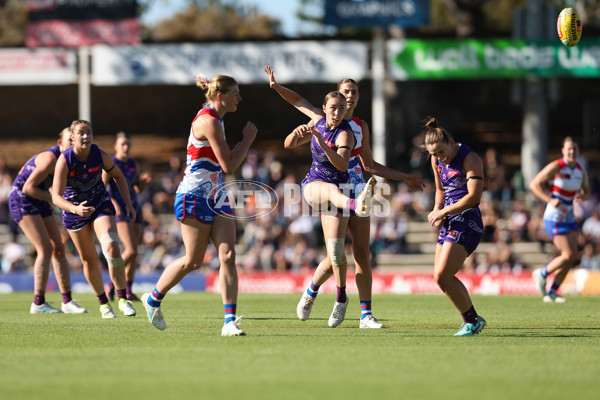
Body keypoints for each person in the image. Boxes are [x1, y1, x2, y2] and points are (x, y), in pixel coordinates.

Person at [264, 66, 424, 328]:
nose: (350, 96)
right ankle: (313, 290)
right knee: (335, 255)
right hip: (330, 188)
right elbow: (298, 102)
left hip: (357, 189)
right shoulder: (319, 118)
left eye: (355, 92)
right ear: (335, 96)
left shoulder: (359, 127)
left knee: (362, 254)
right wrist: (276, 87)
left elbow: (370, 165)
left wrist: (402, 177)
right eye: (346, 91)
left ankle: (366, 315)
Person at [140, 74, 258, 336]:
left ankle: (229, 322)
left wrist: (238, 146)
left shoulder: (216, 119)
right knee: (193, 261)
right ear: (220, 96)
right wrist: (247, 141)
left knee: (228, 255)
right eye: (235, 93)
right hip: (193, 195)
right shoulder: (209, 122)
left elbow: (224, 165)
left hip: (216, 195)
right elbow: (229, 166)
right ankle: (153, 299)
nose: (240, 97)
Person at [52, 120, 137, 319]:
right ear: (72, 137)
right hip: (74, 211)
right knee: (89, 259)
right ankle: (104, 304)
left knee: (112, 247)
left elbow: (118, 176)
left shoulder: (99, 154)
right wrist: (75, 209)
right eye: (81, 133)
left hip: (99, 203)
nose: (86, 137)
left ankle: (123, 299)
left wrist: (129, 204)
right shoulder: (65, 160)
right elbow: (56, 197)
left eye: (89, 133)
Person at [8, 128, 87, 314]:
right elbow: (28, 188)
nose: (73, 143)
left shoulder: (69, 161)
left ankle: (67, 301)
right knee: (45, 249)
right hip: (22, 198)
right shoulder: (50, 158)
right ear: (60, 143)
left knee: (59, 249)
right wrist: (54, 199)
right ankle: (38, 303)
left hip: (40, 198)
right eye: (69, 140)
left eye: (74, 140)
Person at [424, 117, 486, 336]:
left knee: (443, 276)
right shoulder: (436, 160)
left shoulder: (470, 159)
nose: (440, 158)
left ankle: (472, 321)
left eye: (442, 152)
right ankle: (472, 319)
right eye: (434, 154)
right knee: (439, 278)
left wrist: (445, 211)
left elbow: (474, 197)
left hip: (467, 220)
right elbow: (440, 190)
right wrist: (436, 208)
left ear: (451, 141)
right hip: (450, 218)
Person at [530, 137, 590, 303]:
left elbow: (587, 191)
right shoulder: (556, 166)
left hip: (569, 216)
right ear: (563, 151)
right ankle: (541, 273)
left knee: (572, 256)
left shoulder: (580, 170)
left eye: (575, 149)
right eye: (569, 149)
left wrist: (583, 196)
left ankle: (552, 292)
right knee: (568, 253)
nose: (572, 152)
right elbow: (534, 184)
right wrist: (549, 199)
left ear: (578, 151)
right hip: (554, 216)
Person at [103, 131, 152, 302]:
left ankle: (128, 289)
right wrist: (115, 205)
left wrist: (143, 183)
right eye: (122, 144)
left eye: (128, 144)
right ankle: (111, 283)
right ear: (116, 146)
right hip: (120, 211)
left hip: (134, 208)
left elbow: (137, 188)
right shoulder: (110, 163)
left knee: (135, 252)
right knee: (130, 250)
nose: (126, 147)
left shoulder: (132, 163)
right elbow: (102, 188)